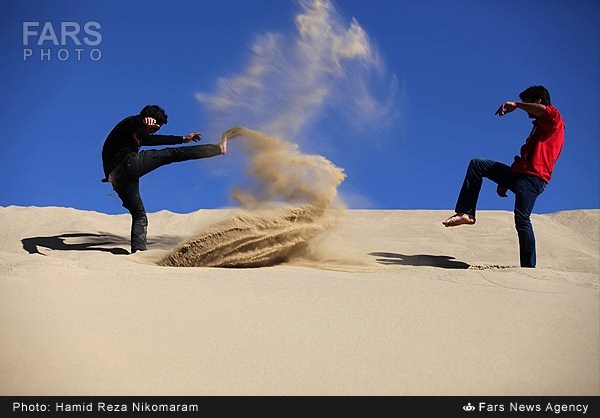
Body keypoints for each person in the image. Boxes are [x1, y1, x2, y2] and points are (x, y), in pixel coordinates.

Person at [442, 86, 565, 268]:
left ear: (537, 101)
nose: (527, 111)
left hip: (534, 179)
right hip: (519, 175)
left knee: (522, 219)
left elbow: (543, 110)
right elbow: (526, 156)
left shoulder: (554, 118)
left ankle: (528, 269)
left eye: (528, 103)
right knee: (478, 164)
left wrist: (516, 104)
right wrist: (505, 182)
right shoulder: (538, 127)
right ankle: (466, 213)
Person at [101, 105, 228, 253]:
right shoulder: (127, 126)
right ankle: (218, 149)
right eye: (153, 129)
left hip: (119, 179)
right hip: (126, 165)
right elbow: (131, 122)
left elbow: (159, 139)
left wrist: (183, 139)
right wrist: (143, 120)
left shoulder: (141, 135)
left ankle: (138, 252)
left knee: (139, 215)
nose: (153, 132)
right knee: (172, 154)